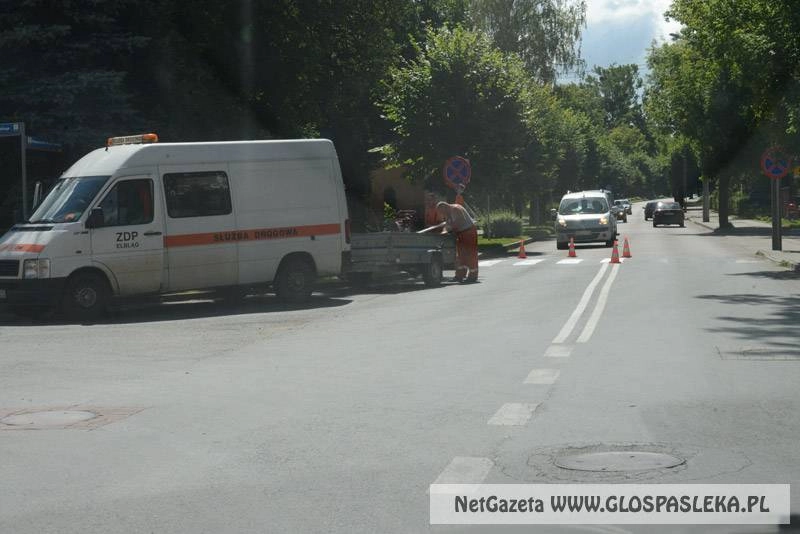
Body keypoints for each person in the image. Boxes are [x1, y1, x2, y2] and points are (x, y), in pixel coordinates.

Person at [435, 201, 478, 282]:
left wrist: (449, 229)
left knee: (470, 254)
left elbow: (459, 221)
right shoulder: (448, 213)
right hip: (460, 233)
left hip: (468, 232)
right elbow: (447, 224)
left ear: (445, 207)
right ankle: (459, 275)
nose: (442, 214)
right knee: (460, 255)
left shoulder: (456, 209)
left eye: (442, 211)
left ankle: (473, 275)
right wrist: (444, 231)